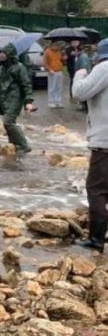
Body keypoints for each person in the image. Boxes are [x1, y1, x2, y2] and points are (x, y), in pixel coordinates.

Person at [72, 37, 108, 253]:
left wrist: (79, 74)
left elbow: (79, 93)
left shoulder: (104, 67)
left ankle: (96, 239)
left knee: (96, 190)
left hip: (105, 142)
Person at [43, 41, 65, 108]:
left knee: (59, 87)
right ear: (51, 45)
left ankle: (58, 101)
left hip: (59, 70)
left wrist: (64, 58)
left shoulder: (59, 52)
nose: (57, 47)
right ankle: (51, 102)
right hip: (52, 71)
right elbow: (45, 62)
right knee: (52, 87)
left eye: (58, 45)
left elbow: (61, 60)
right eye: (56, 45)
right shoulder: (47, 51)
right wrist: (49, 69)